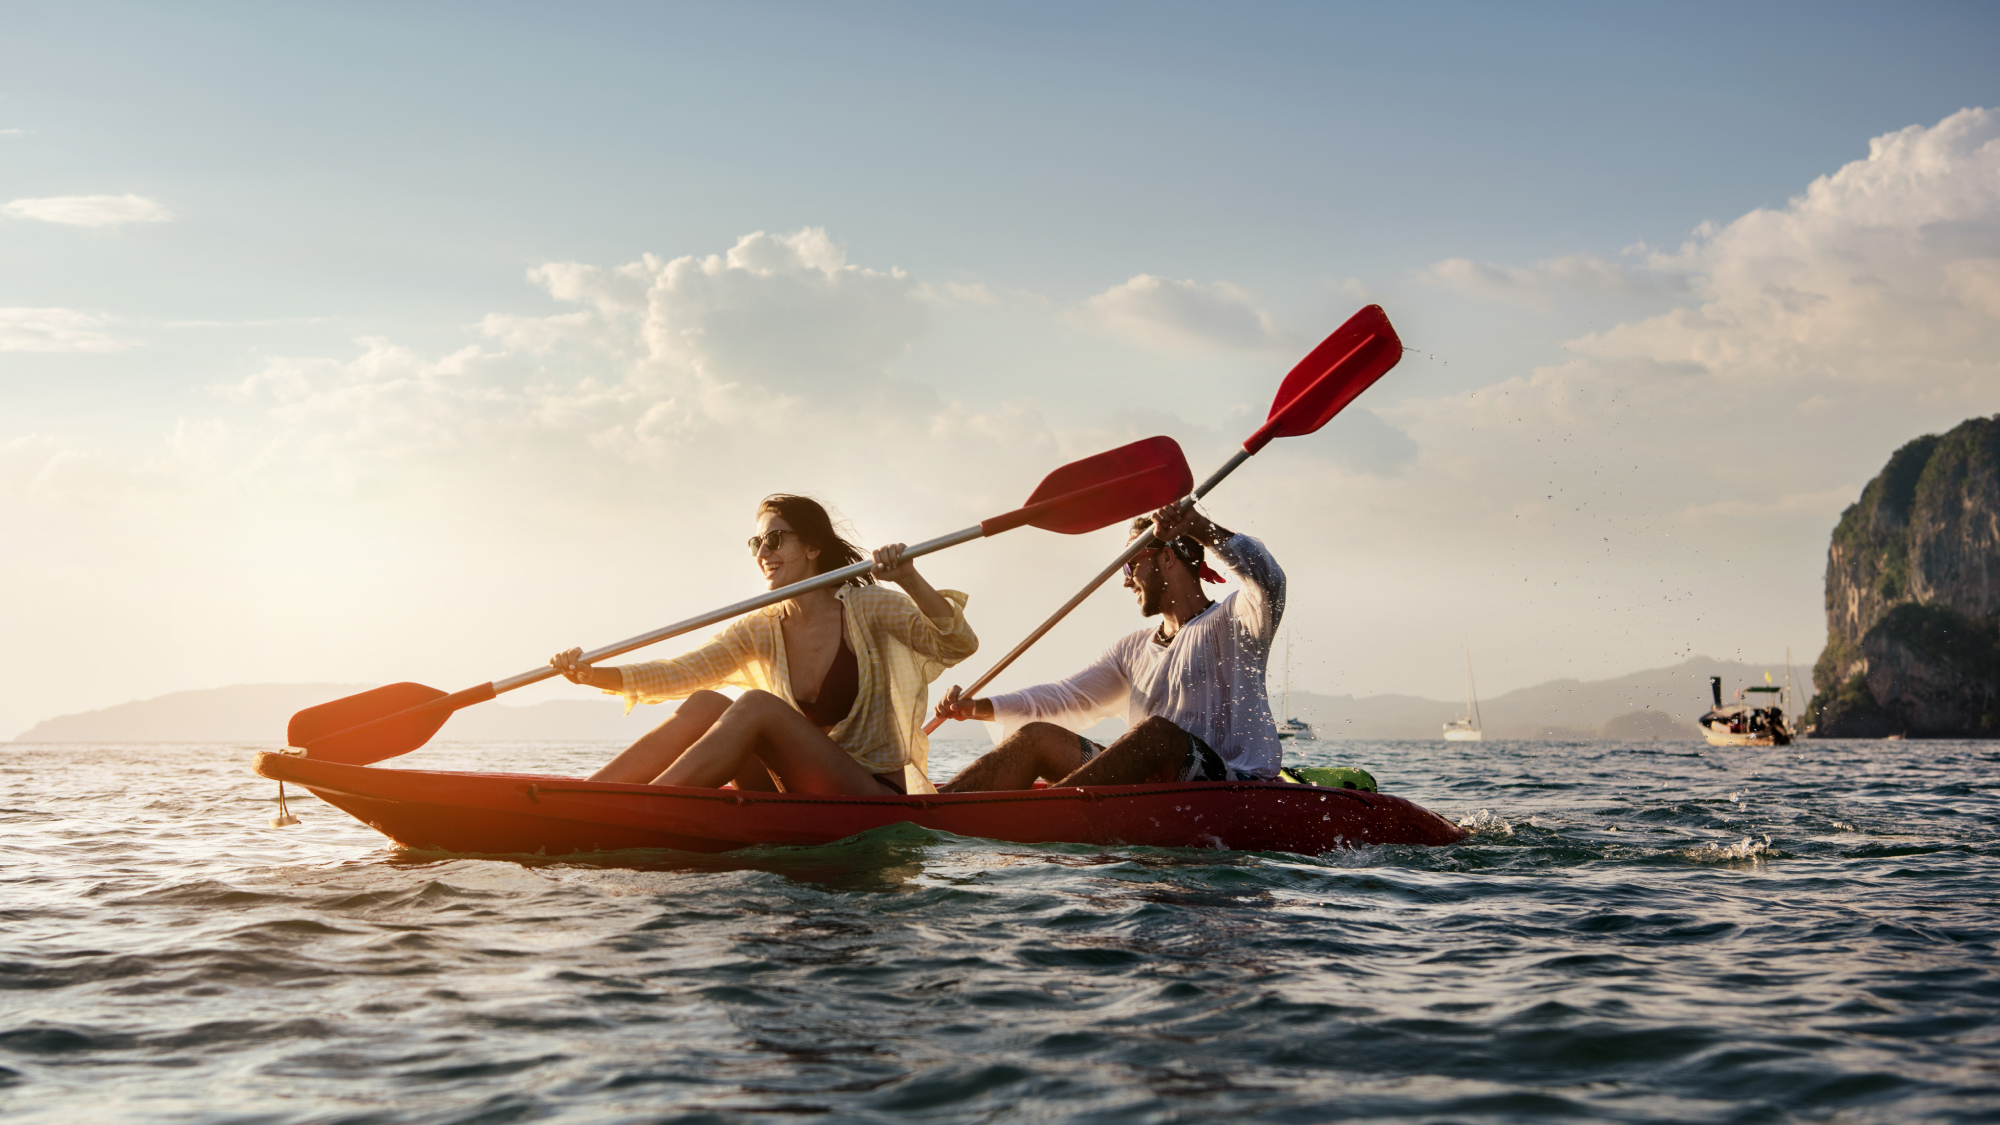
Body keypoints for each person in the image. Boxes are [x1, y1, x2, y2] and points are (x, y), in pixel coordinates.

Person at [549, 494, 977, 795]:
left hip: (869, 791)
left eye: (775, 539)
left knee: (755, 705)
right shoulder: (760, 627)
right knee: (705, 703)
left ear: (812, 546)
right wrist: (591, 674)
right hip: (796, 788)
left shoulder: (870, 607)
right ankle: (588, 798)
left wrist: (908, 578)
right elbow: (680, 672)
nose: (763, 552)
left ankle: (640, 810)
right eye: (757, 543)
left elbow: (957, 644)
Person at [933, 503, 1283, 791]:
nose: (1126, 579)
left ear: (1168, 557)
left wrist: (1198, 526)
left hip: (1234, 784)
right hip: (1153, 783)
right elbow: (1065, 697)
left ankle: (1049, 816)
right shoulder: (1131, 648)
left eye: (1131, 563)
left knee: (1155, 733)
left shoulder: (1237, 620)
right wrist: (978, 707)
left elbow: (1268, 577)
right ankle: (931, 809)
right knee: (1036, 736)